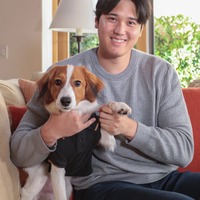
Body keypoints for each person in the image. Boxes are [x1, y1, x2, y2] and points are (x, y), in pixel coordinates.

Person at [10, 0, 200, 199]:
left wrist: (130, 128)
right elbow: (18, 151)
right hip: (103, 184)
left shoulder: (161, 72)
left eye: (131, 23)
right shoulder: (61, 76)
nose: (120, 30)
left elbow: (184, 152)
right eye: (112, 19)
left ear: (141, 29)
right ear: (96, 21)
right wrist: (51, 130)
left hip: (164, 177)